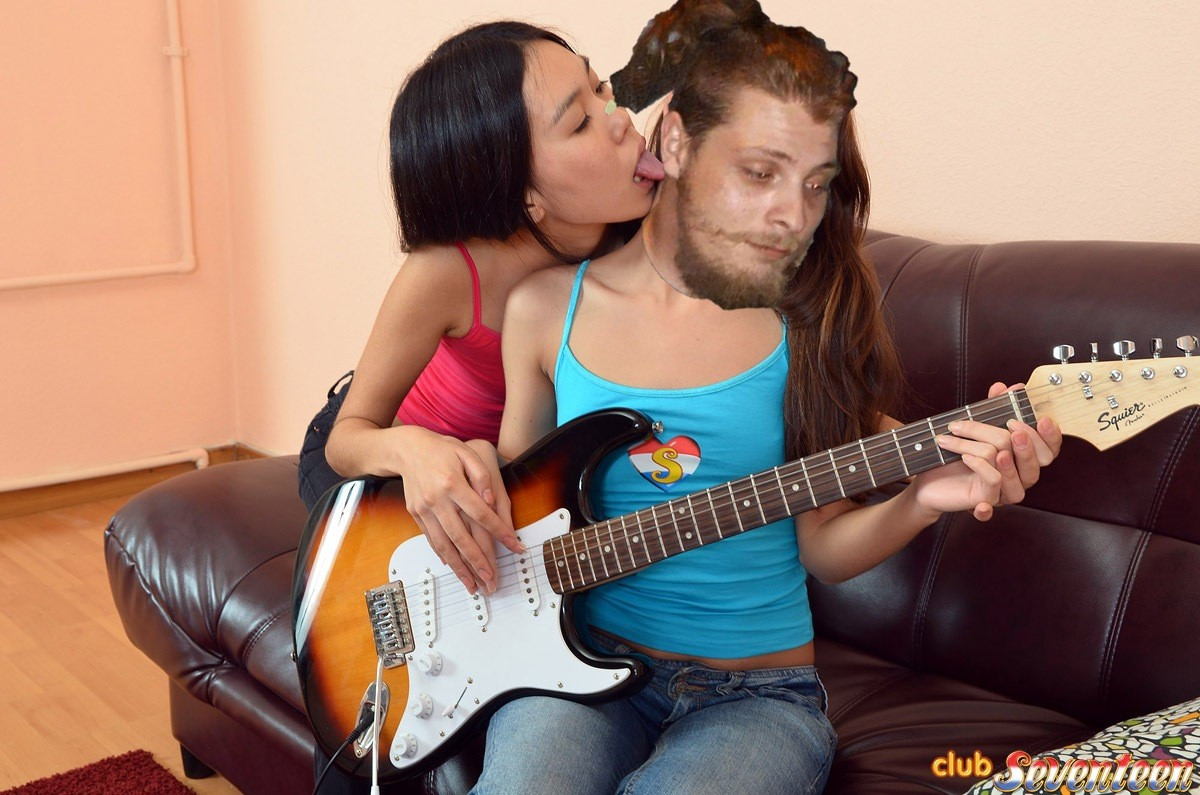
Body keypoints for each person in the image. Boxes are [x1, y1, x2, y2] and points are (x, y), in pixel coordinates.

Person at [467, 12, 1062, 794]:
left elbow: (824, 548)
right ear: (676, 140)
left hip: (755, 699)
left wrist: (921, 499)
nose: (790, 212)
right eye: (759, 172)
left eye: (813, 184)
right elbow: (519, 508)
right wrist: (455, 467)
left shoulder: (806, 326)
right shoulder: (546, 308)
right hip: (574, 665)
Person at [297, 20, 664, 794]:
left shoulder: (646, 240)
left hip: (506, 488)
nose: (619, 115)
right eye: (580, 119)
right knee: (370, 680)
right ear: (523, 190)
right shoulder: (447, 270)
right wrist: (415, 450)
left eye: (600, 85)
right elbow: (351, 434)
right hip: (381, 468)